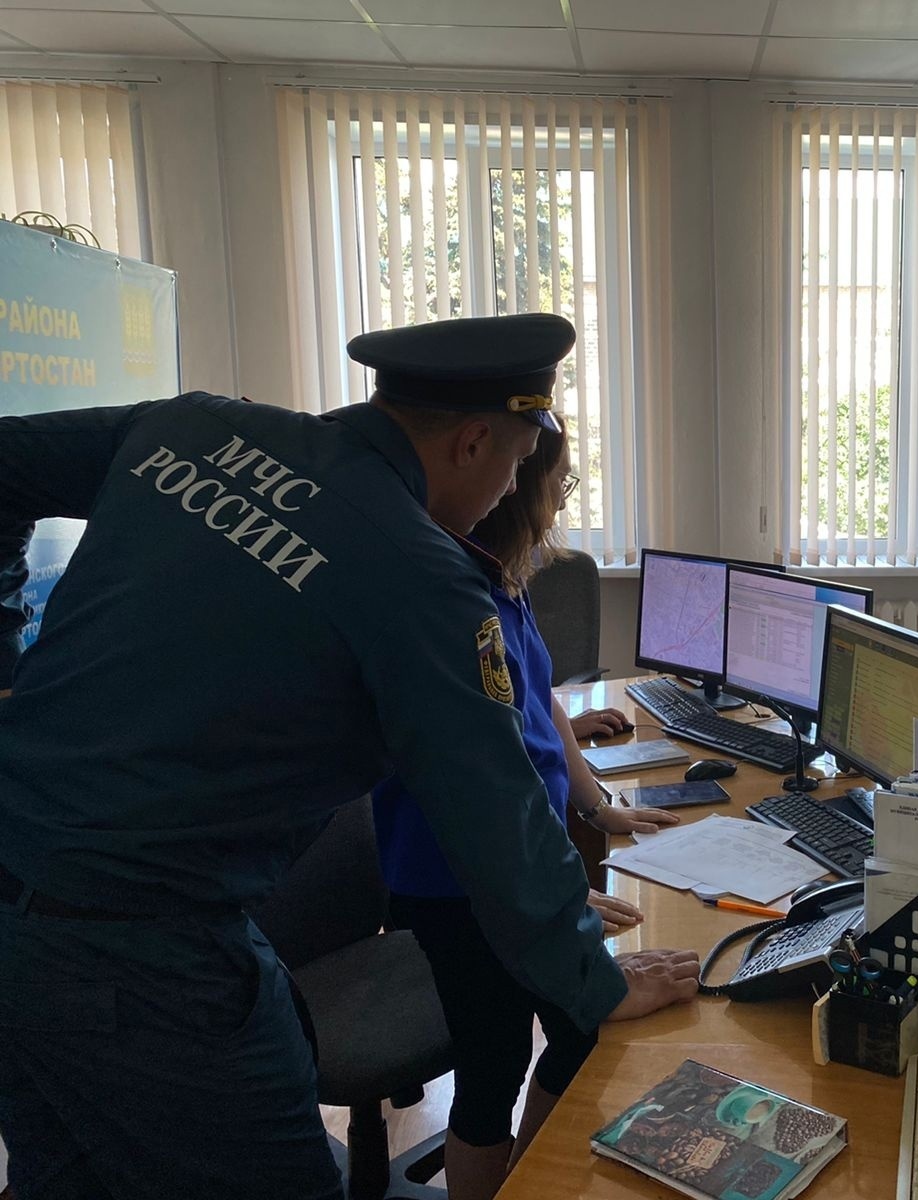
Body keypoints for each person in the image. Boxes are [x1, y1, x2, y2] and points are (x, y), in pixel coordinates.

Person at [0, 313, 699, 1199]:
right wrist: (594, 985)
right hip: (148, 958)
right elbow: (502, 819)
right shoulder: (423, 578)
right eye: (519, 462)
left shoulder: (192, 424)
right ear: (474, 441)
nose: (509, 491)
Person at [374, 415, 678, 1200]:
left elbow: (536, 698)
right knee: (495, 1061)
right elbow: (481, 782)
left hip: (513, 866)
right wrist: (553, 896)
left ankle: (524, 1180)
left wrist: (599, 808)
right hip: (458, 879)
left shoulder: (500, 578)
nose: (559, 499)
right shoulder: (444, 595)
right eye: (554, 482)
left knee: (578, 1025)